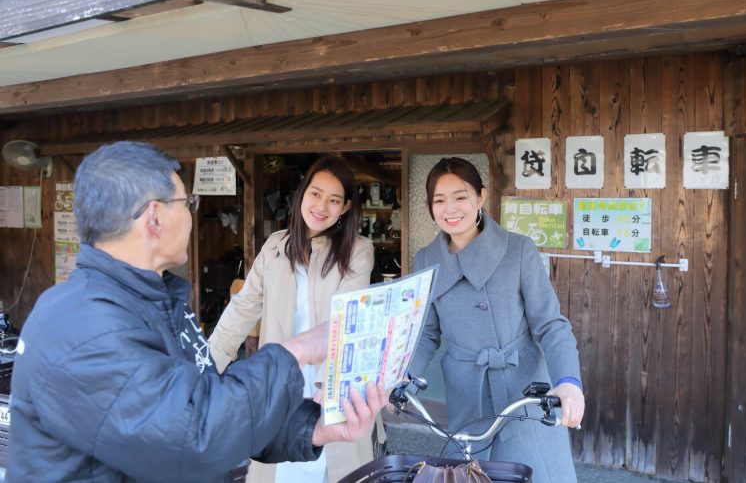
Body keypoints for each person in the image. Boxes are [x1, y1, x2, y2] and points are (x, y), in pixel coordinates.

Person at [8, 142, 385, 482]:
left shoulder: (157, 302)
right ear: (155, 217)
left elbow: (210, 403)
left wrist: (313, 430)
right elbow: (196, 433)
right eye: (188, 204)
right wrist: (295, 352)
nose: (192, 215)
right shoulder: (83, 324)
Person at [407, 157, 584, 483]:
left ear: (481, 197)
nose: (451, 208)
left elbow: (550, 324)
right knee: (469, 475)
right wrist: (403, 379)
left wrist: (569, 383)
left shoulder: (518, 250)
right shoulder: (426, 260)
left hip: (525, 390)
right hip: (467, 394)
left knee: (536, 473)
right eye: (439, 200)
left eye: (460, 197)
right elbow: (425, 333)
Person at [209, 155, 376, 483]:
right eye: (315, 194)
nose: (322, 206)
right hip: (281, 391)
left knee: (334, 470)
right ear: (302, 194)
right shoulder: (275, 246)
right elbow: (242, 309)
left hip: (330, 396)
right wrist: (205, 366)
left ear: (345, 208)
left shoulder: (358, 249)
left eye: (334, 200)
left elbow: (347, 318)